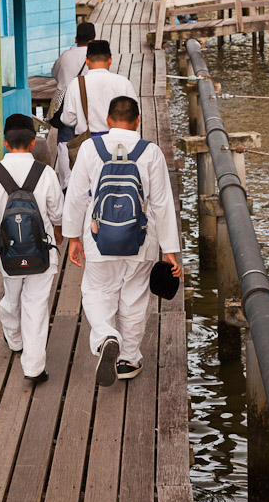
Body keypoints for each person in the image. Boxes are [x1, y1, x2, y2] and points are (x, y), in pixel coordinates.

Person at [62, 96, 182, 386]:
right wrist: (170, 251)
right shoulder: (150, 152)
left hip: (98, 236)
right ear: (138, 120)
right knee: (134, 296)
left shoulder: (91, 149)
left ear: (108, 120)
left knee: (97, 291)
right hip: (141, 239)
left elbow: (76, 197)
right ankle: (128, 359)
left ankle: (105, 336)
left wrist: (72, 238)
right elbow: (163, 204)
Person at [0, 114, 64, 383]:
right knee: (36, 306)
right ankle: (34, 368)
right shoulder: (45, 173)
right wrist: (57, 237)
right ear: (33, 142)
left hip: (7, 255)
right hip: (42, 252)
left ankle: (15, 339)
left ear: (4, 142)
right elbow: (58, 214)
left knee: (12, 298)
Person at [61, 40, 138, 138]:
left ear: (87, 61)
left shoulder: (76, 83)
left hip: (87, 142)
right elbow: (135, 114)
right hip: (117, 141)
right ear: (110, 60)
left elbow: (68, 120)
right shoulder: (123, 82)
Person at [51, 21, 95, 190]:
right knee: (87, 139)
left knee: (63, 143)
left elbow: (54, 73)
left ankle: (66, 183)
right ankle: (87, 181)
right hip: (87, 105)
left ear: (76, 39)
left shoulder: (65, 56)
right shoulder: (93, 58)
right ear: (93, 40)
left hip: (65, 104)